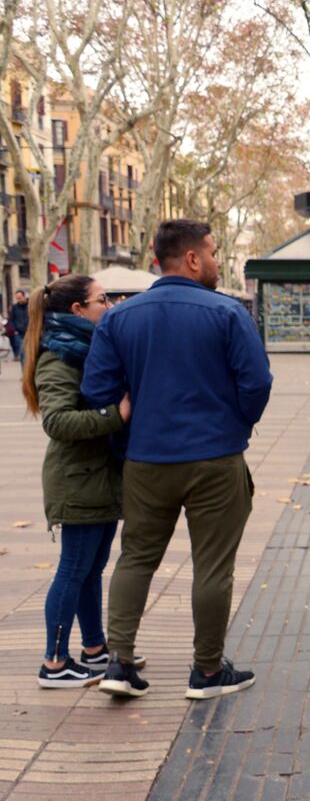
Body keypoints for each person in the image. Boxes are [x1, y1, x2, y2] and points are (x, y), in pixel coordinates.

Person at [83, 219, 273, 699]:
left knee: (136, 558)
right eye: (211, 251)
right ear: (191, 258)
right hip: (215, 458)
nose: (215, 259)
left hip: (147, 459)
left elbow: (97, 392)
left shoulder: (119, 318)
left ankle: (119, 663)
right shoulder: (227, 313)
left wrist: (136, 422)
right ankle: (207, 672)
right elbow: (257, 383)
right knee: (213, 566)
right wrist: (236, 425)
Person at [19, 275, 142, 687]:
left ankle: (94, 648)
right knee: (73, 569)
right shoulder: (59, 356)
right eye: (101, 299)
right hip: (77, 481)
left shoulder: (86, 349)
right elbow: (56, 421)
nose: (109, 305)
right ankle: (54, 662)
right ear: (77, 310)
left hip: (98, 477)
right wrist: (115, 416)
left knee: (91, 570)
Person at [10, 289, 29, 365]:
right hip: (19, 333)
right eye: (17, 298)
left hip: (30, 332)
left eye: (20, 298)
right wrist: (14, 329)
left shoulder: (30, 305)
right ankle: (24, 373)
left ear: (24, 296)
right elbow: (11, 319)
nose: (19, 300)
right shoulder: (14, 307)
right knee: (22, 353)